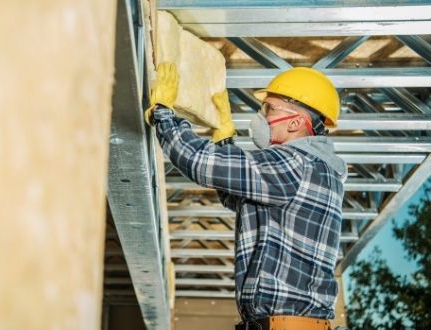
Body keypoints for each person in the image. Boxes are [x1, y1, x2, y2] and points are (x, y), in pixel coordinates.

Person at [145, 63, 347, 330]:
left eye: (269, 109)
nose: (261, 116)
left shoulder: (296, 163)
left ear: (296, 122)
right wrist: (225, 142)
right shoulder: (312, 169)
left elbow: (199, 162)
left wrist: (164, 113)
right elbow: (239, 199)